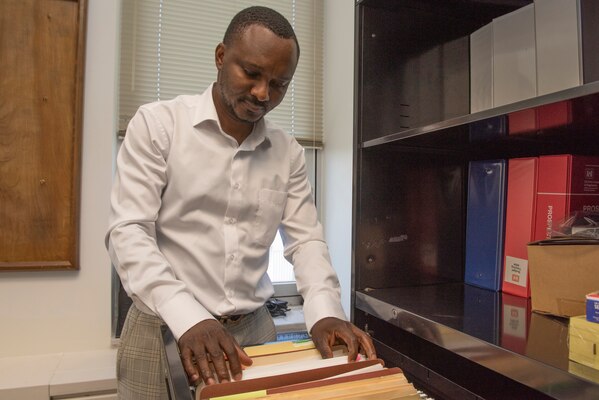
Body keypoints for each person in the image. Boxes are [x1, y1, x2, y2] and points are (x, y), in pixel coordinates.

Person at [106, 5, 376, 399]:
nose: (263, 93)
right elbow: (128, 232)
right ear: (220, 56)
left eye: (279, 84)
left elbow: (305, 243)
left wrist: (325, 311)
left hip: (254, 335)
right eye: (251, 73)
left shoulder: (288, 153)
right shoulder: (157, 126)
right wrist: (189, 317)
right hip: (160, 330)